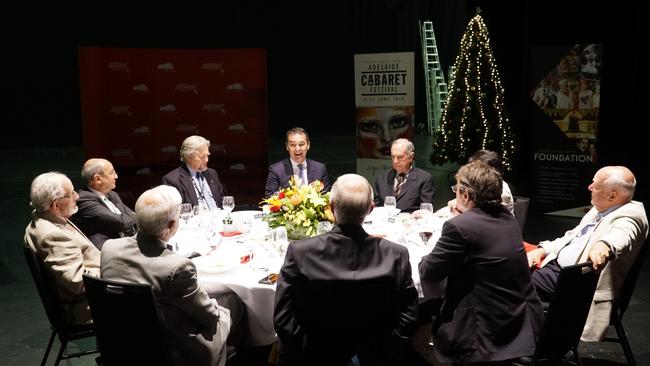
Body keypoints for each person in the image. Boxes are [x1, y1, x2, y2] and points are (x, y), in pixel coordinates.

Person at [274, 173, 418, 365]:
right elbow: (409, 316)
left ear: (331, 207)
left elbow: (283, 318)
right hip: (377, 357)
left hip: (315, 357)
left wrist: (310, 351)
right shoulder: (396, 255)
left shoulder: (300, 253)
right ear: (371, 208)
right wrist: (382, 350)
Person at [419, 161, 543, 364]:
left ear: (465, 195)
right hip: (518, 323)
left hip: (482, 334)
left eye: (456, 190)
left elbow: (428, 271)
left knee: (417, 334)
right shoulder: (508, 219)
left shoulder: (459, 227)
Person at [101, 185, 231, 366]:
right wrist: (219, 307)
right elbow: (208, 316)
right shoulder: (177, 267)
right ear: (172, 225)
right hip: (172, 351)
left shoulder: (110, 247)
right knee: (229, 305)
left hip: (121, 342)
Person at [527, 166, 648, 342]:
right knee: (510, 261)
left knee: (512, 280)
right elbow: (571, 237)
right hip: (556, 267)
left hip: (574, 281)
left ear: (612, 195)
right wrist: (542, 250)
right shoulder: (600, 209)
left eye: (596, 185)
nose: (590, 187)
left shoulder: (631, 216)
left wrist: (604, 245)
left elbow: (623, 235)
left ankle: (535, 345)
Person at [24, 172, 101, 325]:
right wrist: (115, 270)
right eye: (71, 194)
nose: (77, 197)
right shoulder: (52, 235)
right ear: (56, 205)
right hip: (86, 308)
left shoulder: (45, 217)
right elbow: (78, 283)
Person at [71, 158, 136, 250]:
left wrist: (135, 216)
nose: (116, 176)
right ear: (98, 179)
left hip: (126, 243)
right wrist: (139, 215)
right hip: (107, 250)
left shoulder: (112, 194)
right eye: (112, 173)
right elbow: (122, 223)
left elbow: (130, 216)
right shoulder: (84, 199)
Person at [264, 127, 331, 197]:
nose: (297, 149)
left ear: (308, 145)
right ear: (287, 146)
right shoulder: (276, 170)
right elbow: (270, 199)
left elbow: (327, 197)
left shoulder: (320, 168)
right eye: (292, 145)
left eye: (301, 145)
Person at [163, 135, 224, 210]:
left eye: (207, 156)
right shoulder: (173, 180)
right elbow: (175, 212)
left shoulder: (212, 173)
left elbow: (222, 202)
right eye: (202, 157)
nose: (206, 160)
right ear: (188, 157)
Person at [373, 138, 435, 213]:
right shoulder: (382, 178)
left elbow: (426, 210)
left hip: (412, 223)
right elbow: (375, 208)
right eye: (393, 157)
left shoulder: (424, 179)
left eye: (400, 157)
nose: (395, 161)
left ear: (411, 157)